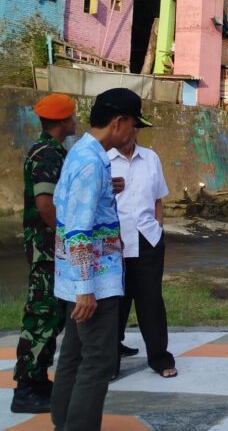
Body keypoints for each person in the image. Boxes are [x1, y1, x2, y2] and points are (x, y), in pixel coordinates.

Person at [51, 88, 148, 431]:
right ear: (119, 122)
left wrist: (109, 189)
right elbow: (78, 230)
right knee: (99, 361)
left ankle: (63, 422)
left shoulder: (84, 154)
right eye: (135, 125)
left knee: (74, 356)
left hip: (78, 277)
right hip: (94, 282)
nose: (135, 133)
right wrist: (86, 289)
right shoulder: (91, 162)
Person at [11, 94, 77, 414]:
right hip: (48, 249)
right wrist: (65, 239)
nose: (76, 121)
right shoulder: (48, 154)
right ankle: (27, 387)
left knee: (52, 314)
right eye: (73, 117)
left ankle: (37, 379)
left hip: (48, 248)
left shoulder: (49, 151)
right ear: (63, 121)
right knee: (42, 315)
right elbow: (45, 204)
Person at [109, 126, 176, 379]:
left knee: (151, 301)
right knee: (115, 302)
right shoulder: (104, 159)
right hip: (114, 241)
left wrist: (158, 229)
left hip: (148, 238)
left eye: (133, 127)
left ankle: (159, 358)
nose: (130, 132)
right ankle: (109, 361)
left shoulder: (151, 157)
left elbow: (158, 199)